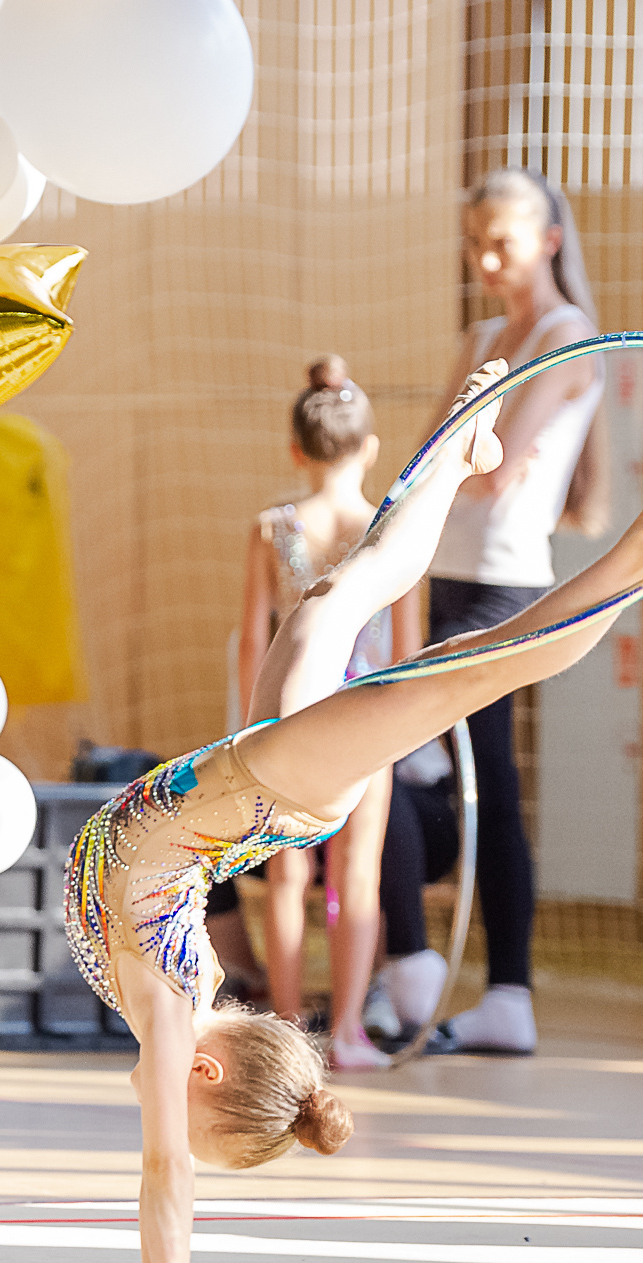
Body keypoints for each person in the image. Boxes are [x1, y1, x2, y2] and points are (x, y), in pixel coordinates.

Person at [65, 356, 643, 1263]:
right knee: (467, 670)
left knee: (340, 590)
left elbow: (172, 1156)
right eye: (183, 1114)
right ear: (202, 1075)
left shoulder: (169, 1000)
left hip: (257, 773)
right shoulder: (173, 1006)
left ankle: (460, 451)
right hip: (273, 787)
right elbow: (168, 1168)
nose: (161, 1115)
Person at [375, 166, 607, 1057]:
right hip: (442, 577)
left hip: (504, 588)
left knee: (471, 777)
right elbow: (426, 462)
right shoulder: (481, 336)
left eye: (502, 243)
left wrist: (468, 450)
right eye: (475, 244)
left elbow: (492, 466)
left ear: (548, 240)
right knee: (434, 771)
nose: (486, 261)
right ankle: (427, 969)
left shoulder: (565, 334)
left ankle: (475, 982)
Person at [234, 356, 417, 1069]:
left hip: (290, 712)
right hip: (367, 715)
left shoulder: (273, 527)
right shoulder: (393, 530)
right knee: (357, 874)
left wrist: (251, 724)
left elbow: (253, 640)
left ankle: (286, 1030)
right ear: (369, 449)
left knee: (289, 872)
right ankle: (347, 1031)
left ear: (296, 450)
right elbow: (407, 650)